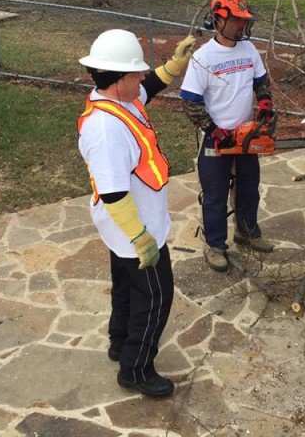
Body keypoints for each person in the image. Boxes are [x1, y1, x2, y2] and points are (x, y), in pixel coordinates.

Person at [77, 29, 196, 398]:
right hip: (135, 231)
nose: (143, 76)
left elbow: (151, 88)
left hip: (128, 229)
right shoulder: (106, 130)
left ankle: (120, 342)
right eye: (136, 72)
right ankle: (136, 368)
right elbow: (113, 193)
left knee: (127, 288)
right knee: (155, 298)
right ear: (118, 78)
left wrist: (174, 65)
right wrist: (142, 239)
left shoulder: (119, 99)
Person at [180, 0, 274, 272]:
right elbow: (190, 101)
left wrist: (265, 102)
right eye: (236, 20)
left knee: (249, 188)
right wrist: (214, 130)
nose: (241, 25)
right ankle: (216, 246)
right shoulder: (203, 58)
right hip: (215, 138)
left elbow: (261, 82)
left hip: (246, 133)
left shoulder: (249, 50)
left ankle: (247, 232)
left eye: (244, 20)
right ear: (218, 20)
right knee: (215, 194)